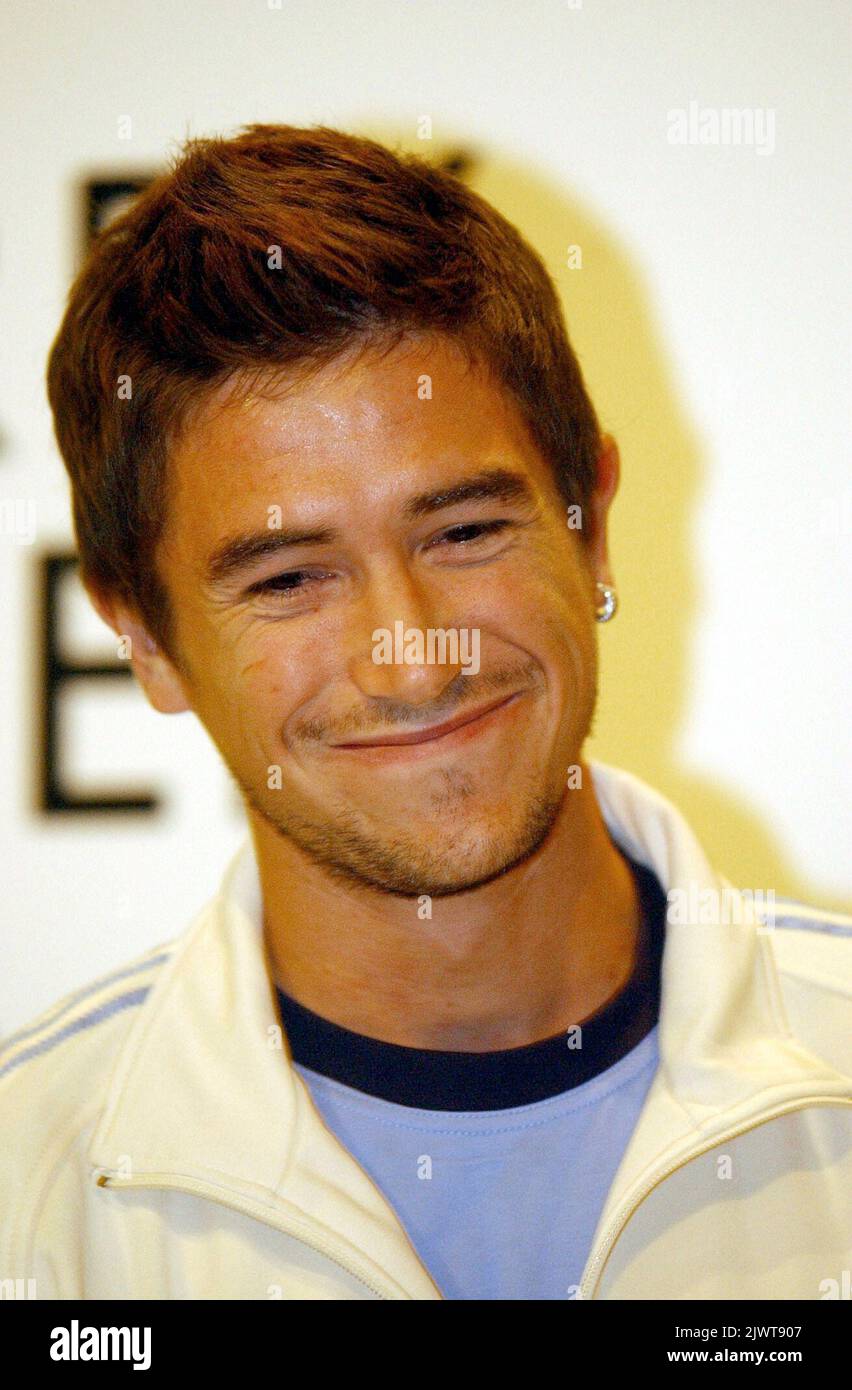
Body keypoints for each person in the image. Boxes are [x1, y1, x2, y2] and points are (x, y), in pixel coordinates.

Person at [1, 124, 849, 1301]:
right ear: (143, 637)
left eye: (464, 531)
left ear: (590, 526)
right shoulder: (25, 1192)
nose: (409, 661)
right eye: (288, 579)